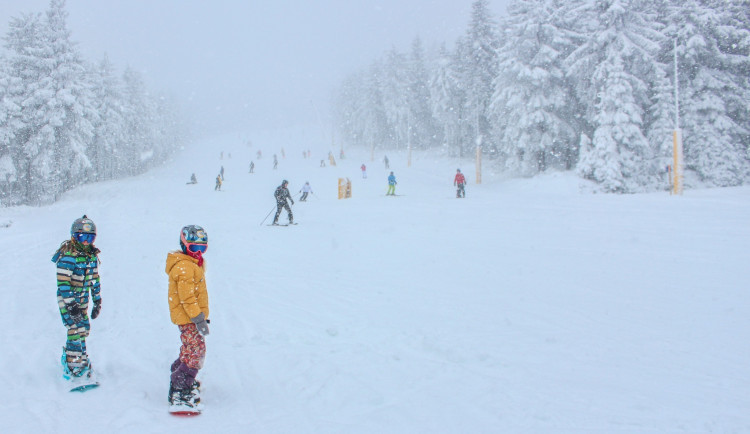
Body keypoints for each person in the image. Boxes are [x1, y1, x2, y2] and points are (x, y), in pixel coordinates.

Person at [53, 215, 102, 383]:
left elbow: (95, 279)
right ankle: (73, 364)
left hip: (82, 300)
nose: (86, 242)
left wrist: (97, 300)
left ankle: (78, 357)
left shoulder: (91, 256)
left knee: (84, 329)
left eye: (90, 237)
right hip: (68, 300)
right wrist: (71, 305)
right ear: (74, 236)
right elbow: (63, 284)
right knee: (75, 328)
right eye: (83, 237)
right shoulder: (68, 256)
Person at [166, 225, 210, 411]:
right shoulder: (185, 267)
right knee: (197, 350)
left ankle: (180, 375)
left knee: (190, 347)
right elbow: (187, 298)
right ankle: (180, 389)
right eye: (194, 248)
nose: (198, 253)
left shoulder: (190, 264)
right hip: (189, 317)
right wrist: (198, 318)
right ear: (184, 246)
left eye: (202, 249)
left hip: (190, 317)